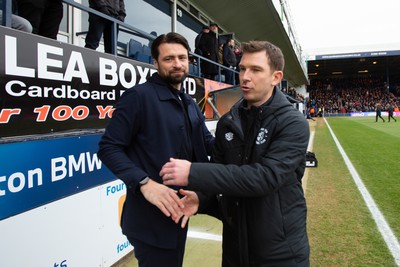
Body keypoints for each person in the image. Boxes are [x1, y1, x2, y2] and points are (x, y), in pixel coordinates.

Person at [161, 40, 310, 266]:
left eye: (256, 70)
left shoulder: (292, 123)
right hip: (234, 248)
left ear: (276, 77)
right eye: (242, 68)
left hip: (279, 252)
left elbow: (263, 178)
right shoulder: (228, 121)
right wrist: (201, 199)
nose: (245, 77)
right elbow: (224, 175)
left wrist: (193, 172)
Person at [97, 32, 214, 267]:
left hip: (180, 210)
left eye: (182, 57)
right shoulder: (138, 97)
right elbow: (108, 148)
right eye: (169, 58)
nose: (178, 64)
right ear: (155, 63)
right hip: (149, 220)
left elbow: (207, 143)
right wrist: (145, 183)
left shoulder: (189, 102)